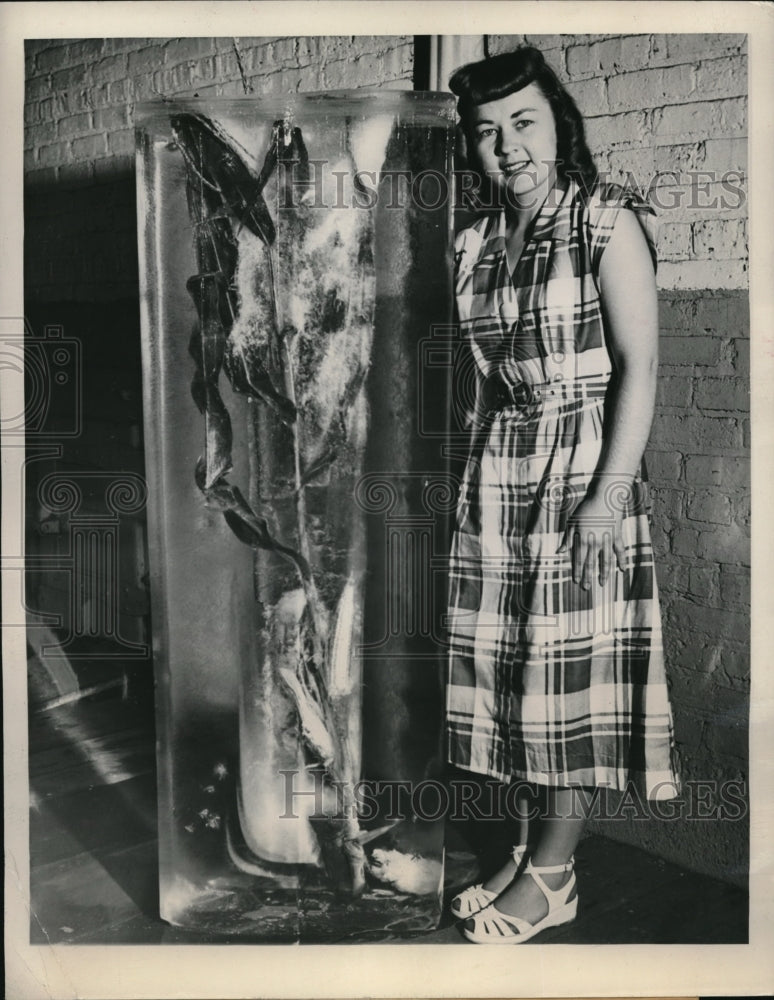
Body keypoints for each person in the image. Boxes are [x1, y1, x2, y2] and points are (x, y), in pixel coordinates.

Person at [445, 46, 680, 944]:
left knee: (563, 681)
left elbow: (641, 366)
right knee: (509, 677)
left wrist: (607, 498)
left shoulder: (603, 221)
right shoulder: (474, 243)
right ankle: (525, 850)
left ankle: (555, 877)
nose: (506, 146)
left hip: (583, 473)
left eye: (524, 122)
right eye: (487, 131)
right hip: (499, 470)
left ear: (560, 125)